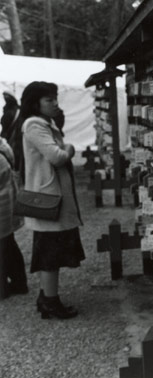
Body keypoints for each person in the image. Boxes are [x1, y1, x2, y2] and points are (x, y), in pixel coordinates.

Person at [19, 81, 85, 319]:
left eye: (55, 98)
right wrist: (70, 149)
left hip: (51, 196)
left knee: (50, 251)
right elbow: (56, 156)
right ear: (35, 103)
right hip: (49, 198)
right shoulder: (34, 124)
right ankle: (50, 302)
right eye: (49, 100)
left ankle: (45, 296)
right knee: (50, 254)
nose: (55, 103)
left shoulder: (45, 122)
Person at [0, 136, 27, 298]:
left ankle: (3, 288)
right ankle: (19, 282)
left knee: (4, 247)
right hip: (6, 204)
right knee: (8, 244)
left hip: (2, 207)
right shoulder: (3, 146)